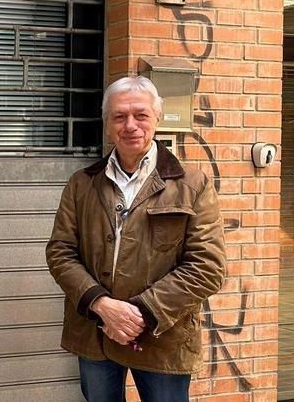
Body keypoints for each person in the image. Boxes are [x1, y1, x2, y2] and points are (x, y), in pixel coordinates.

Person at [46, 75, 226, 402]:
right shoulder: (81, 184)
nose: (130, 124)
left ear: (157, 117)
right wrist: (102, 305)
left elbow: (207, 267)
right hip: (95, 333)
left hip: (163, 339)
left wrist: (137, 314)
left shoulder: (192, 185)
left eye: (140, 114)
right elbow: (61, 252)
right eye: (119, 116)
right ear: (107, 123)